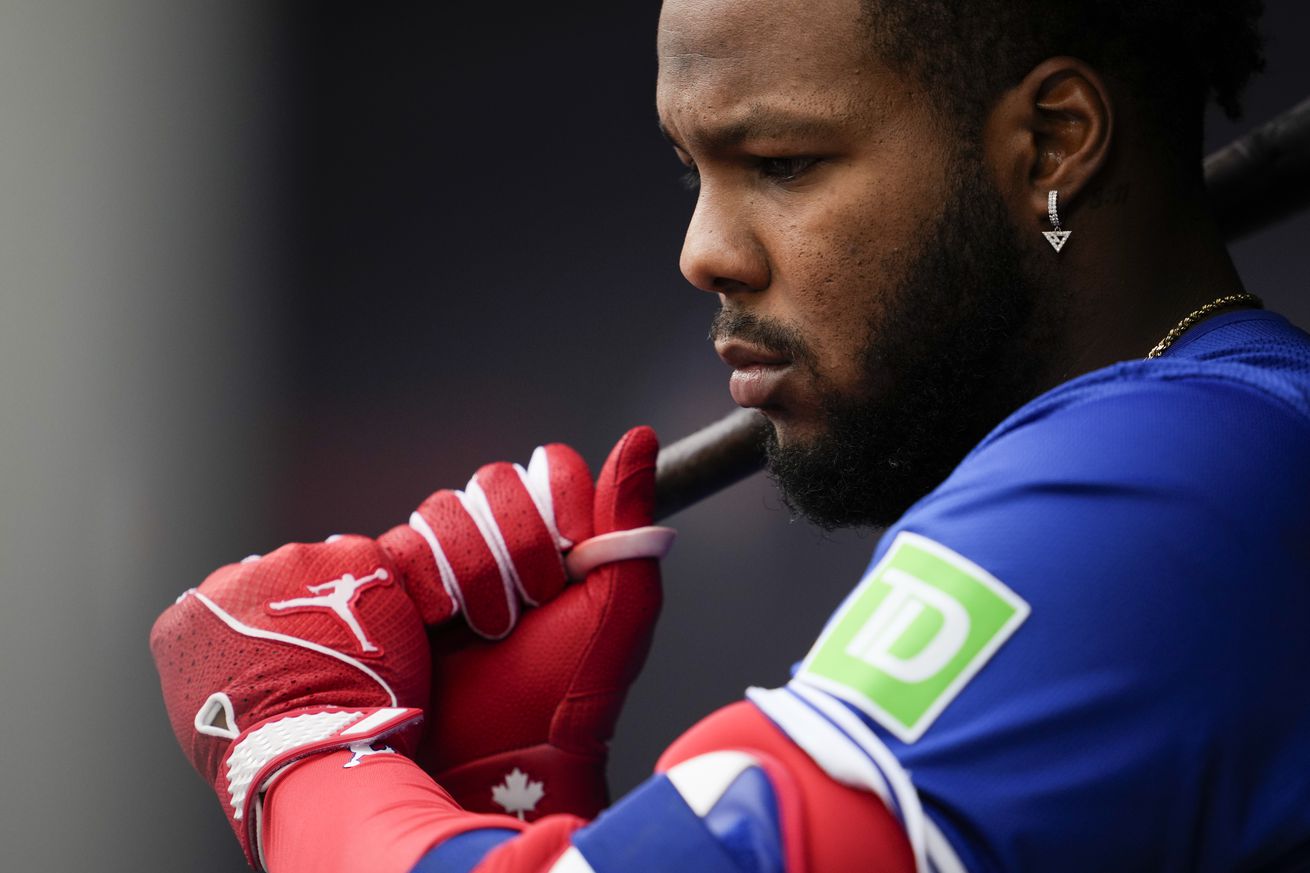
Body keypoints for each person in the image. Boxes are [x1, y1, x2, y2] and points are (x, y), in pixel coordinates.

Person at [151, 0, 1310, 871]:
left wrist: (295, 745)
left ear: (1053, 141)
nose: (703, 252)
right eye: (690, 168)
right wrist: (500, 793)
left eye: (780, 163)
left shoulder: (1168, 485)